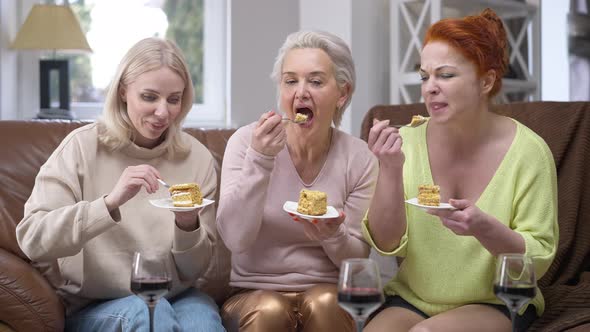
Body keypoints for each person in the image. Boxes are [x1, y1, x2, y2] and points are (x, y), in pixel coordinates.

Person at [363, 8, 558, 332]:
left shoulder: (528, 152)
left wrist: (484, 227)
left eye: (446, 75)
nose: (429, 88)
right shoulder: (404, 144)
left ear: (486, 81)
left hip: (497, 301)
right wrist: (390, 169)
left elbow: (537, 261)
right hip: (413, 297)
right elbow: (386, 243)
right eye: (425, 76)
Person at [16, 37, 225, 332]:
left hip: (179, 295)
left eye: (174, 99)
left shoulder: (198, 158)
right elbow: (33, 239)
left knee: (201, 324)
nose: (163, 112)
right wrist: (109, 203)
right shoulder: (81, 148)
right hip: (97, 302)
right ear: (124, 91)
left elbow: (194, 269)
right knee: (151, 312)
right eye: (150, 97)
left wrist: (188, 225)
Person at [216, 30, 379, 331]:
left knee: (326, 303)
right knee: (269, 308)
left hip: (328, 290)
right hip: (252, 294)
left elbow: (358, 259)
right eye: (291, 80)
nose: (300, 92)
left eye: (315, 81)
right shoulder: (246, 143)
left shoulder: (360, 157)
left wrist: (332, 235)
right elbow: (235, 238)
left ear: (342, 93)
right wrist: (261, 160)